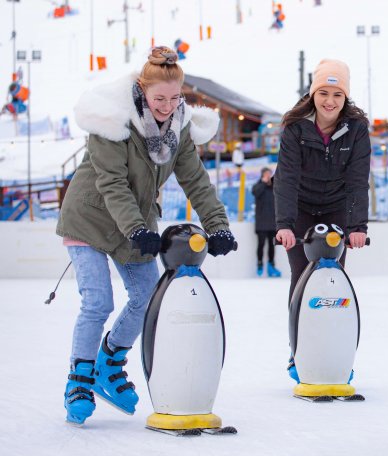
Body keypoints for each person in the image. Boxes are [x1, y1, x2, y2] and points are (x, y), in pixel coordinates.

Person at [56, 46, 236, 426]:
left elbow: (196, 181)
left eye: (175, 98)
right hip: (89, 217)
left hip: (134, 223)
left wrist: (218, 225)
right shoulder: (115, 121)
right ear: (142, 89)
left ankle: (110, 360)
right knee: (98, 302)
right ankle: (79, 379)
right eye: (159, 98)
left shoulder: (179, 128)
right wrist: (137, 228)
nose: (167, 106)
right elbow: (112, 183)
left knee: (146, 297)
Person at [273, 58, 370, 381]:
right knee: (302, 274)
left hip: (336, 207)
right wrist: (284, 224)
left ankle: (333, 348)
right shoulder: (295, 128)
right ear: (313, 94)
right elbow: (286, 178)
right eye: (324, 92)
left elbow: (358, 179)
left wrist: (357, 227)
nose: (330, 101)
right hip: (300, 208)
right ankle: (297, 348)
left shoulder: (356, 130)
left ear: (346, 99)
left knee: (333, 278)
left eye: (337, 94)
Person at [252, 167, 281, 277]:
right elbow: (255, 193)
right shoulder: (258, 186)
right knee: (261, 244)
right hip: (261, 222)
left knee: (272, 245)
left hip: (273, 222)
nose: (268, 176)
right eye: (266, 174)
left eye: (270, 174)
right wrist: (263, 183)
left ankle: (271, 265)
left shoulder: (274, 186)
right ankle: (259, 263)